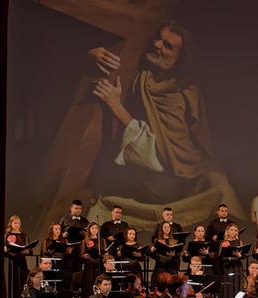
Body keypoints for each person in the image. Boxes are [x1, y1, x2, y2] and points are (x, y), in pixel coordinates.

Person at [87, 22, 245, 226]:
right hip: (150, 178)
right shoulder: (144, 77)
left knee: (221, 191)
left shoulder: (184, 93)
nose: (156, 45)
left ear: (180, 59)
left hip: (174, 180)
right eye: (158, 38)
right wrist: (92, 54)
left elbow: (161, 153)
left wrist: (116, 106)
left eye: (167, 46)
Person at [2, 214, 31, 298]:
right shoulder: (7, 235)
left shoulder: (24, 235)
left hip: (21, 261)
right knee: (12, 281)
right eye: (15, 223)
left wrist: (27, 251)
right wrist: (5, 249)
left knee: (22, 280)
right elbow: (4, 248)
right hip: (11, 261)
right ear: (11, 223)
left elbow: (30, 249)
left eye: (18, 223)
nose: (17, 225)